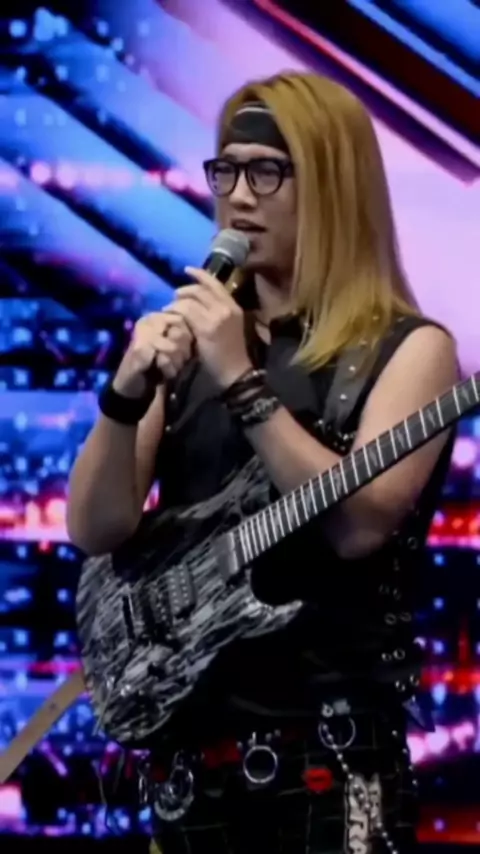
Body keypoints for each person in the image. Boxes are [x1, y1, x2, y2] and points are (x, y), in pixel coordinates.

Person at [67, 71, 459, 853]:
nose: (239, 197)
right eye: (228, 170)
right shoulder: (191, 340)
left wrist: (241, 380)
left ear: (332, 187)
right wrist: (126, 391)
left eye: (267, 172)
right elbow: (96, 525)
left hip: (329, 769)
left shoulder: (411, 351)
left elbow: (357, 527)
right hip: (191, 777)